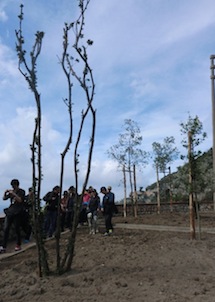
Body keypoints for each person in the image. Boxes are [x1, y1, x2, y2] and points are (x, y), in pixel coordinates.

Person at [0, 179, 25, 253]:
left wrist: (14, 194)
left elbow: (20, 200)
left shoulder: (21, 192)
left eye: (14, 186)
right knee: (6, 229)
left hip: (18, 212)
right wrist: (5, 193)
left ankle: (18, 244)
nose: (13, 188)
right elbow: (4, 199)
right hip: (10, 211)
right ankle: (3, 246)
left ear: (17, 185)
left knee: (17, 229)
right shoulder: (11, 192)